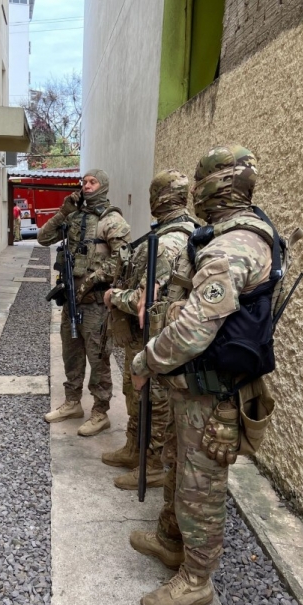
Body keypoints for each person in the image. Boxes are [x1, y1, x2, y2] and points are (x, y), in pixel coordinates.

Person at [129, 144, 279, 605]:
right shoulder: (236, 235)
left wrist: (145, 361)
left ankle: (196, 578)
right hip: (195, 386)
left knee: (200, 487)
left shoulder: (231, 246)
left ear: (216, 185)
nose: (194, 192)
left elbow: (194, 331)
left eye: (199, 182)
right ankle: (170, 540)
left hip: (212, 393)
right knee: (178, 468)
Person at [101, 169, 197, 489]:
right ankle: (134, 448)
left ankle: (153, 464)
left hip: (155, 334)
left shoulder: (169, 242)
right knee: (136, 394)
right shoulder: (185, 231)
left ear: (159, 198)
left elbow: (145, 298)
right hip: (158, 332)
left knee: (151, 399)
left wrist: (114, 296)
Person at [38, 169, 131, 436]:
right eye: (85, 182)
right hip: (71, 301)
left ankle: (100, 412)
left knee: (98, 357)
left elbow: (124, 258)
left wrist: (94, 279)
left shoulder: (111, 220)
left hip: (96, 304)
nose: (87, 186)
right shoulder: (73, 217)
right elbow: (43, 237)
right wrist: (62, 213)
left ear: (103, 186)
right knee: (71, 353)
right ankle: (72, 402)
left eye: (93, 182)